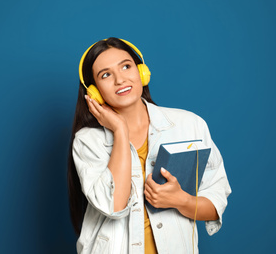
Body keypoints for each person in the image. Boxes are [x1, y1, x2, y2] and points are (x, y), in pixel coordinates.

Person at [67, 37, 231, 254]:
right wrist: (120, 131)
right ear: (94, 92)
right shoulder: (88, 141)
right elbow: (113, 206)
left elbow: (215, 203)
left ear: (142, 72)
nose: (120, 80)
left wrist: (182, 200)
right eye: (105, 75)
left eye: (126, 66)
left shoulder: (190, 125)